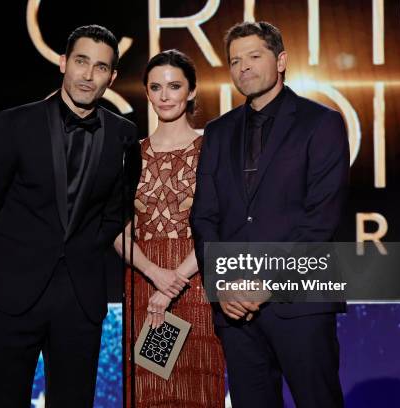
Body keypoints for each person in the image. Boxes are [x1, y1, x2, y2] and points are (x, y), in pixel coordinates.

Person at [0, 25, 138, 407]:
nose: (88, 75)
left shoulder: (123, 135)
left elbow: (118, 209)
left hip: (79, 300)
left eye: (100, 67)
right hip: (11, 296)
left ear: (111, 77)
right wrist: (7, 261)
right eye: (81, 62)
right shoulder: (14, 123)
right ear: (63, 63)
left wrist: (84, 250)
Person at [190, 21, 349, 407]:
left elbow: (321, 219)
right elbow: (205, 215)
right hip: (235, 312)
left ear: (280, 61)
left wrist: (266, 285)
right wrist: (223, 283)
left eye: (254, 56)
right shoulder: (217, 132)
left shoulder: (322, 123)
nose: (242, 67)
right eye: (234, 60)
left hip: (301, 302)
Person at [115, 49, 225, 408]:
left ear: (191, 91)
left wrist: (174, 278)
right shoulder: (132, 153)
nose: (165, 96)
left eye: (174, 86)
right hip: (145, 284)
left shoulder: (211, 148)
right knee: (151, 390)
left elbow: (222, 224)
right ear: (147, 92)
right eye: (156, 87)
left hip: (198, 282)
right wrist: (153, 273)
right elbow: (115, 228)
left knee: (198, 388)